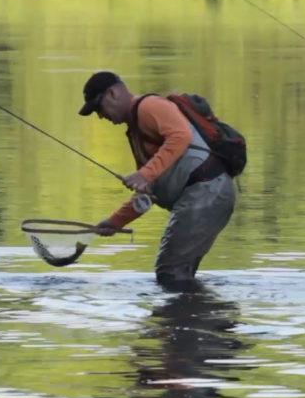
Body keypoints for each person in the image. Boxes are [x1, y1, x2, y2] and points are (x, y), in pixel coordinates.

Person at [78, 71, 236, 288]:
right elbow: (148, 193)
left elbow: (181, 135)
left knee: (170, 273)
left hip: (206, 192)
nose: (100, 116)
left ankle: (190, 318)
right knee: (176, 272)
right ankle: (200, 314)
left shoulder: (149, 106)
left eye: (99, 107)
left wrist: (145, 173)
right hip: (203, 196)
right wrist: (116, 221)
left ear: (113, 93)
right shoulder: (136, 132)